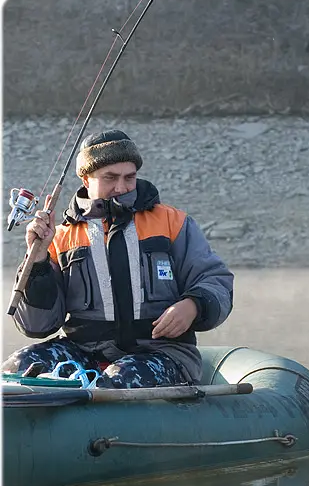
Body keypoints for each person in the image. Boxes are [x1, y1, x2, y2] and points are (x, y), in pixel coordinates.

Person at [3, 130, 234, 388]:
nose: (121, 187)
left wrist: (194, 305)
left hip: (163, 354)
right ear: (86, 179)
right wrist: (38, 260)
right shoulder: (60, 236)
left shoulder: (173, 223)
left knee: (117, 380)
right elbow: (37, 325)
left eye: (129, 177)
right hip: (84, 352)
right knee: (18, 366)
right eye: (110, 178)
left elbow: (216, 280)